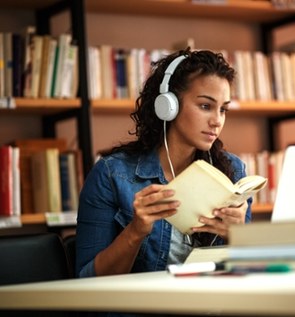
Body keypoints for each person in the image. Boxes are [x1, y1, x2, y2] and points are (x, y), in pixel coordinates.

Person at [76, 48, 252, 280]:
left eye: (223, 109)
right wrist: (135, 231)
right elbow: (87, 279)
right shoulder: (111, 174)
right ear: (169, 106)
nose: (217, 121)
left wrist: (237, 236)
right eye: (205, 106)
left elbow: (247, 274)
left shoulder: (234, 171)